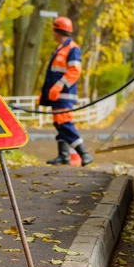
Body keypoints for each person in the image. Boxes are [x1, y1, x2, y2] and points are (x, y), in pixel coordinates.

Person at [39, 16, 93, 166]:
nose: (53, 34)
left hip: (63, 94)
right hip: (56, 95)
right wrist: (45, 93)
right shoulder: (60, 49)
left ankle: (84, 153)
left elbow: (74, 71)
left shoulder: (72, 49)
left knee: (65, 124)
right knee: (59, 124)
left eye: (54, 31)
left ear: (58, 31)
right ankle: (63, 156)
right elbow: (52, 74)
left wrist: (59, 86)